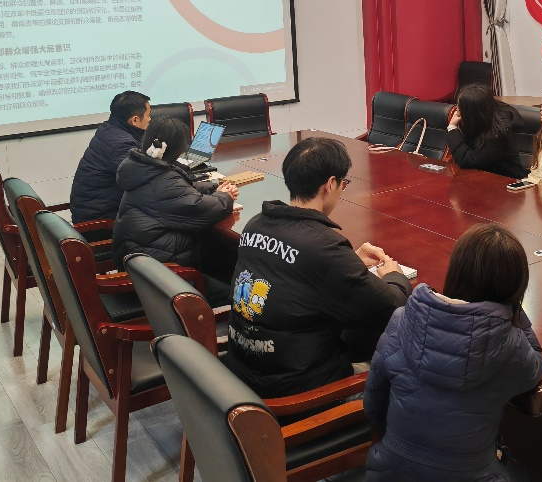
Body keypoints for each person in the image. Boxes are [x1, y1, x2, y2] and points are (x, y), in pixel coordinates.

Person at [225, 136, 411, 398]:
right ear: (330, 184)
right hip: (297, 392)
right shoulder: (324, 246)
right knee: (399, 344)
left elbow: (293, 273)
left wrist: (350, 261)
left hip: (245, 373)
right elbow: (390, 307)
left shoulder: (256, 224)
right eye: (344, 184)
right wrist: (394, 275)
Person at [364, 223, 542, 482]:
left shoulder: (402, 319)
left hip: (389, 473)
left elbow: (374, 401)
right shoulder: (509, 343)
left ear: (456, 271)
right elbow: (536, 364)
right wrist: (513, 310)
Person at [112, 116, 238, 306]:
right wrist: (225, 197)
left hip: (142, 260)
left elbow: (181, 190)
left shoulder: (142, 166)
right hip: (163, 274)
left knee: (218, 254)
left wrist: (213, 188)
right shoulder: (165, 181)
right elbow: (202, 209)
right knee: (235, 291)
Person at [70, 91, 151, 224]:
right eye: (148, 115)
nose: (150, 119)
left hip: (92, 212)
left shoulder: (108, 129)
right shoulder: (121, 145)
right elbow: (141, 181)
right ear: (135, 120)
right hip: (100, 223)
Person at [446, 84, 528, 179]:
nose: (457, 111)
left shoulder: (498, 133)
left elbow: (468, 160)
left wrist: (452, 129)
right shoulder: (483, 118)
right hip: (481, 176)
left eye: (460, 107)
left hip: (504, 179)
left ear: (473, 112)